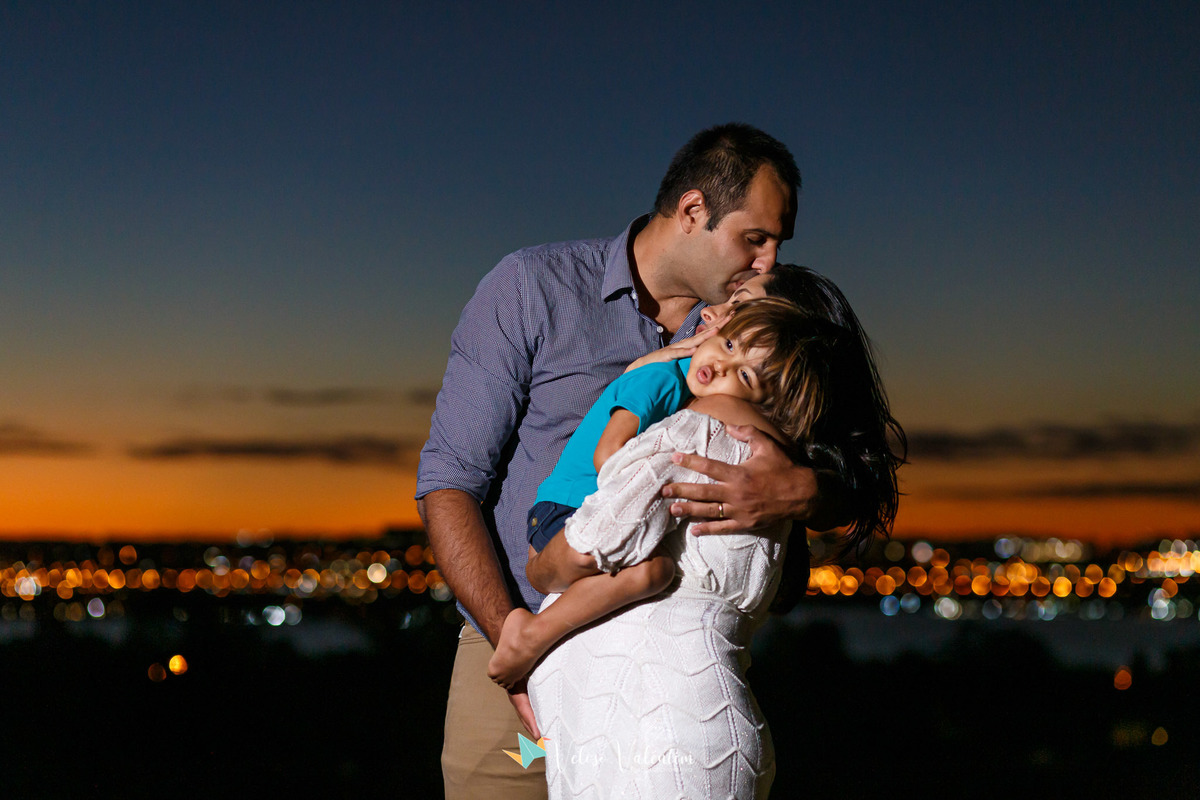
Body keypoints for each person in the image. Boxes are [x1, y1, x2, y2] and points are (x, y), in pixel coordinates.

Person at [417, 123, 828, 799]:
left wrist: (802, 490)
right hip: (523, 681)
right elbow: (448, 483)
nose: (769, 262)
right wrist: (515, 642)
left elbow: (856, 467)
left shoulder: (754, 325)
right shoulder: (532, 289)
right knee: (509, 785)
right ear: (694, 211)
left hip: (671, 683)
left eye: (778, 243)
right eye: (755, 238)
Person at [523, 272, 904, 798]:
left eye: (741, 309)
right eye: (724, 310)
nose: (714, 314)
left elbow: (596, 534)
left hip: (656, 732)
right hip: (620, 724)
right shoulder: (692, 391)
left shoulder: (701, 425)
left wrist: (542, 574)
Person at [487, 298, 812, 689]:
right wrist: (655, 465)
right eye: (728, 346)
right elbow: (608, 454)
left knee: (652, 570)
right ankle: (531, 634)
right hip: (566, 505)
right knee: (652, 572)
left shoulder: (686, 392)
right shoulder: (661, 378)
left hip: (586, 508)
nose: (722, 367)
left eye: (743, 378)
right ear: (708, 331)